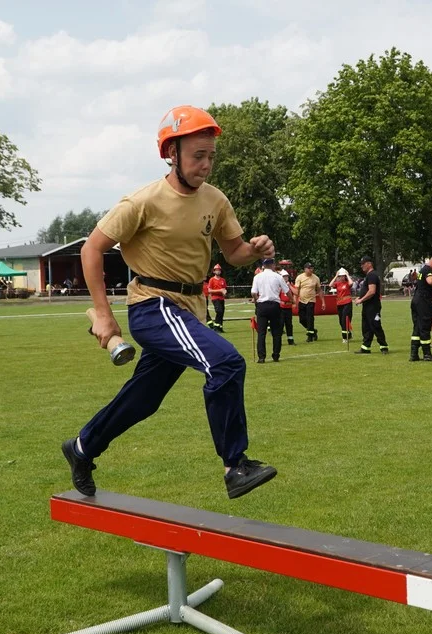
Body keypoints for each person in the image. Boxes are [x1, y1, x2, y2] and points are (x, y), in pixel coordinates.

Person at [62, 105, 278, 501]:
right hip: (153, 306)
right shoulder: (142, 202)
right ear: (171, 154)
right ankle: (235, 465)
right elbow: (92, 250)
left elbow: (234, 252)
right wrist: (106, 317)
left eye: (211, 155)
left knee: (143, 400)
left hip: (189, 308)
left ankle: (81, 447)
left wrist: (256, 249)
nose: (207, 164)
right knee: (226, 363)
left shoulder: (215, 200)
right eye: (198, 155)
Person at [250, 258, 289, 363]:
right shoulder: (278, 276)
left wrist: (256, 299)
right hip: (274, 305)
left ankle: (261, 357)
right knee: (276, 332)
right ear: (272, 265)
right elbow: (287, 290)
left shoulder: (257, 277)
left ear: (263, 265)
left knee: (261, 333)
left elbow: (253, 292)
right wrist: (292, 300)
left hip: (262, 305)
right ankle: (276, 355)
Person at [353, 255, 388, 354]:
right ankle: (365, 347)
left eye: (363, 264)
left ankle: (383, 346)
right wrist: (360, 298)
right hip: (367, 306)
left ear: (369, 264)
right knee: (366, 327)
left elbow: (372, 291)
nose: (361, 266)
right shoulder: (369, 275)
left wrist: (361, 300)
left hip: (373, 306)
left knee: (375, 325)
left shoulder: (372, 275)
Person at [294, 262, 322, 342]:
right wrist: (295, 302)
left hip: (311, 300)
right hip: (302, 300)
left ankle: (310, 336)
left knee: (310, 318)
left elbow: (319, 290)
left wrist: (323, 302)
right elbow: (296, 290)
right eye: (309, 268)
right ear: (305, 269)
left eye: (312, 268)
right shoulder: (299, 277)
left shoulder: (316, 278)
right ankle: (313, 330)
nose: (311, 270)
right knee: (302, 319)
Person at [329, 268, 354, 342]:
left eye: (343, 276)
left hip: (347, 303)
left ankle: (344, 338)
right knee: (341, 321)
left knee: (344, 320)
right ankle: (348, 334)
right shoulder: (338, 283)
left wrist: (347, 274)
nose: (341, 277)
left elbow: (351, 283)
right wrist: (336, 276)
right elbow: (330, 285)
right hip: (339, 304)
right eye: (340, 276)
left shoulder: (347, 283)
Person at [278, 266, 297, 345]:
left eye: (286, 276)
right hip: (281, 308)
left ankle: (290, 339)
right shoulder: (278, 286)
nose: (286, 278)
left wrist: (289, 286)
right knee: (280, 324)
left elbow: (296, 292)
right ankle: (278, 341)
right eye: (284, 277)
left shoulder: (290, 285)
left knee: (289, 324)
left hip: (288, 308)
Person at [207, 263, 228, 331]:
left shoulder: (223, 280)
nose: (218, 271)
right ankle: (216, 326)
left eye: (219, 270)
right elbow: (209, 290)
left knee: (222, 313)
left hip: (222, 298)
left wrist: (225, 293)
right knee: (219, 311)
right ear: (214, 271)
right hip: (215, 298)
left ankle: (220, 327)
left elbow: (224, 289)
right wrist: (220, 290)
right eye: (216, 270)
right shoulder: (212, 280)